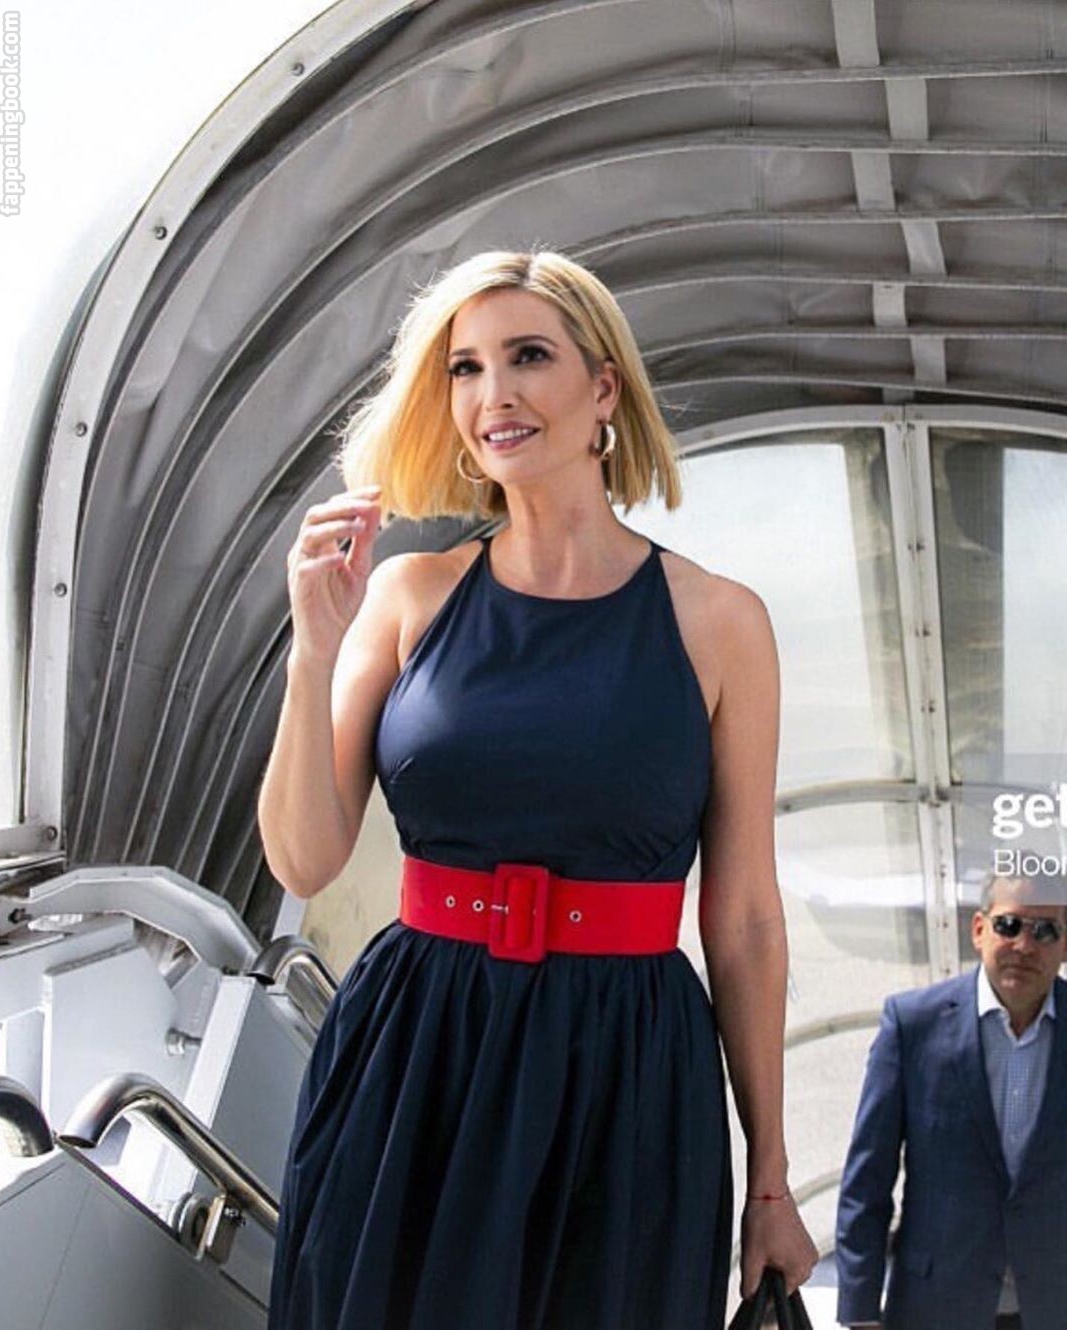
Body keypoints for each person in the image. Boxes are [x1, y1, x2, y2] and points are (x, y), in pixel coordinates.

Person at [258, 248, 816, 1329]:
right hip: (418, 1054)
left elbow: (745, 917)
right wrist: (310, 655)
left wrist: (770, 1183)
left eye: (527, 357)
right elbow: (304, 858)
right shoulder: (405, 597)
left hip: (626, 1070)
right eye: (465, 368)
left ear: (603, 389)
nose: (493, 394)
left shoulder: (720, 622)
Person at [835, 866, 1067, 1330]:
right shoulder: (912, 1025)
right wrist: (860, 1312)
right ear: (979, 929)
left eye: (1045, 931)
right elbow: (867, 1181)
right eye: (1009, 925)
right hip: (936, 1307)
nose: (1024, 945)